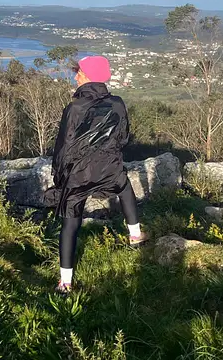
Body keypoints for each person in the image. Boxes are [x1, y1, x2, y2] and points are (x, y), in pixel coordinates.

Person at [49, 55, 148, 294]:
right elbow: (123, 137)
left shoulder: (75, 108)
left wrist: (59, 178)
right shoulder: (117, 103)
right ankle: (135, 234)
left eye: (79, 73)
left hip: (78, 174)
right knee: (124, 187)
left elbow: (64, 147)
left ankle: (65, 282)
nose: (76, 76)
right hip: (109, 168)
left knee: (70, 223)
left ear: (88, 77)